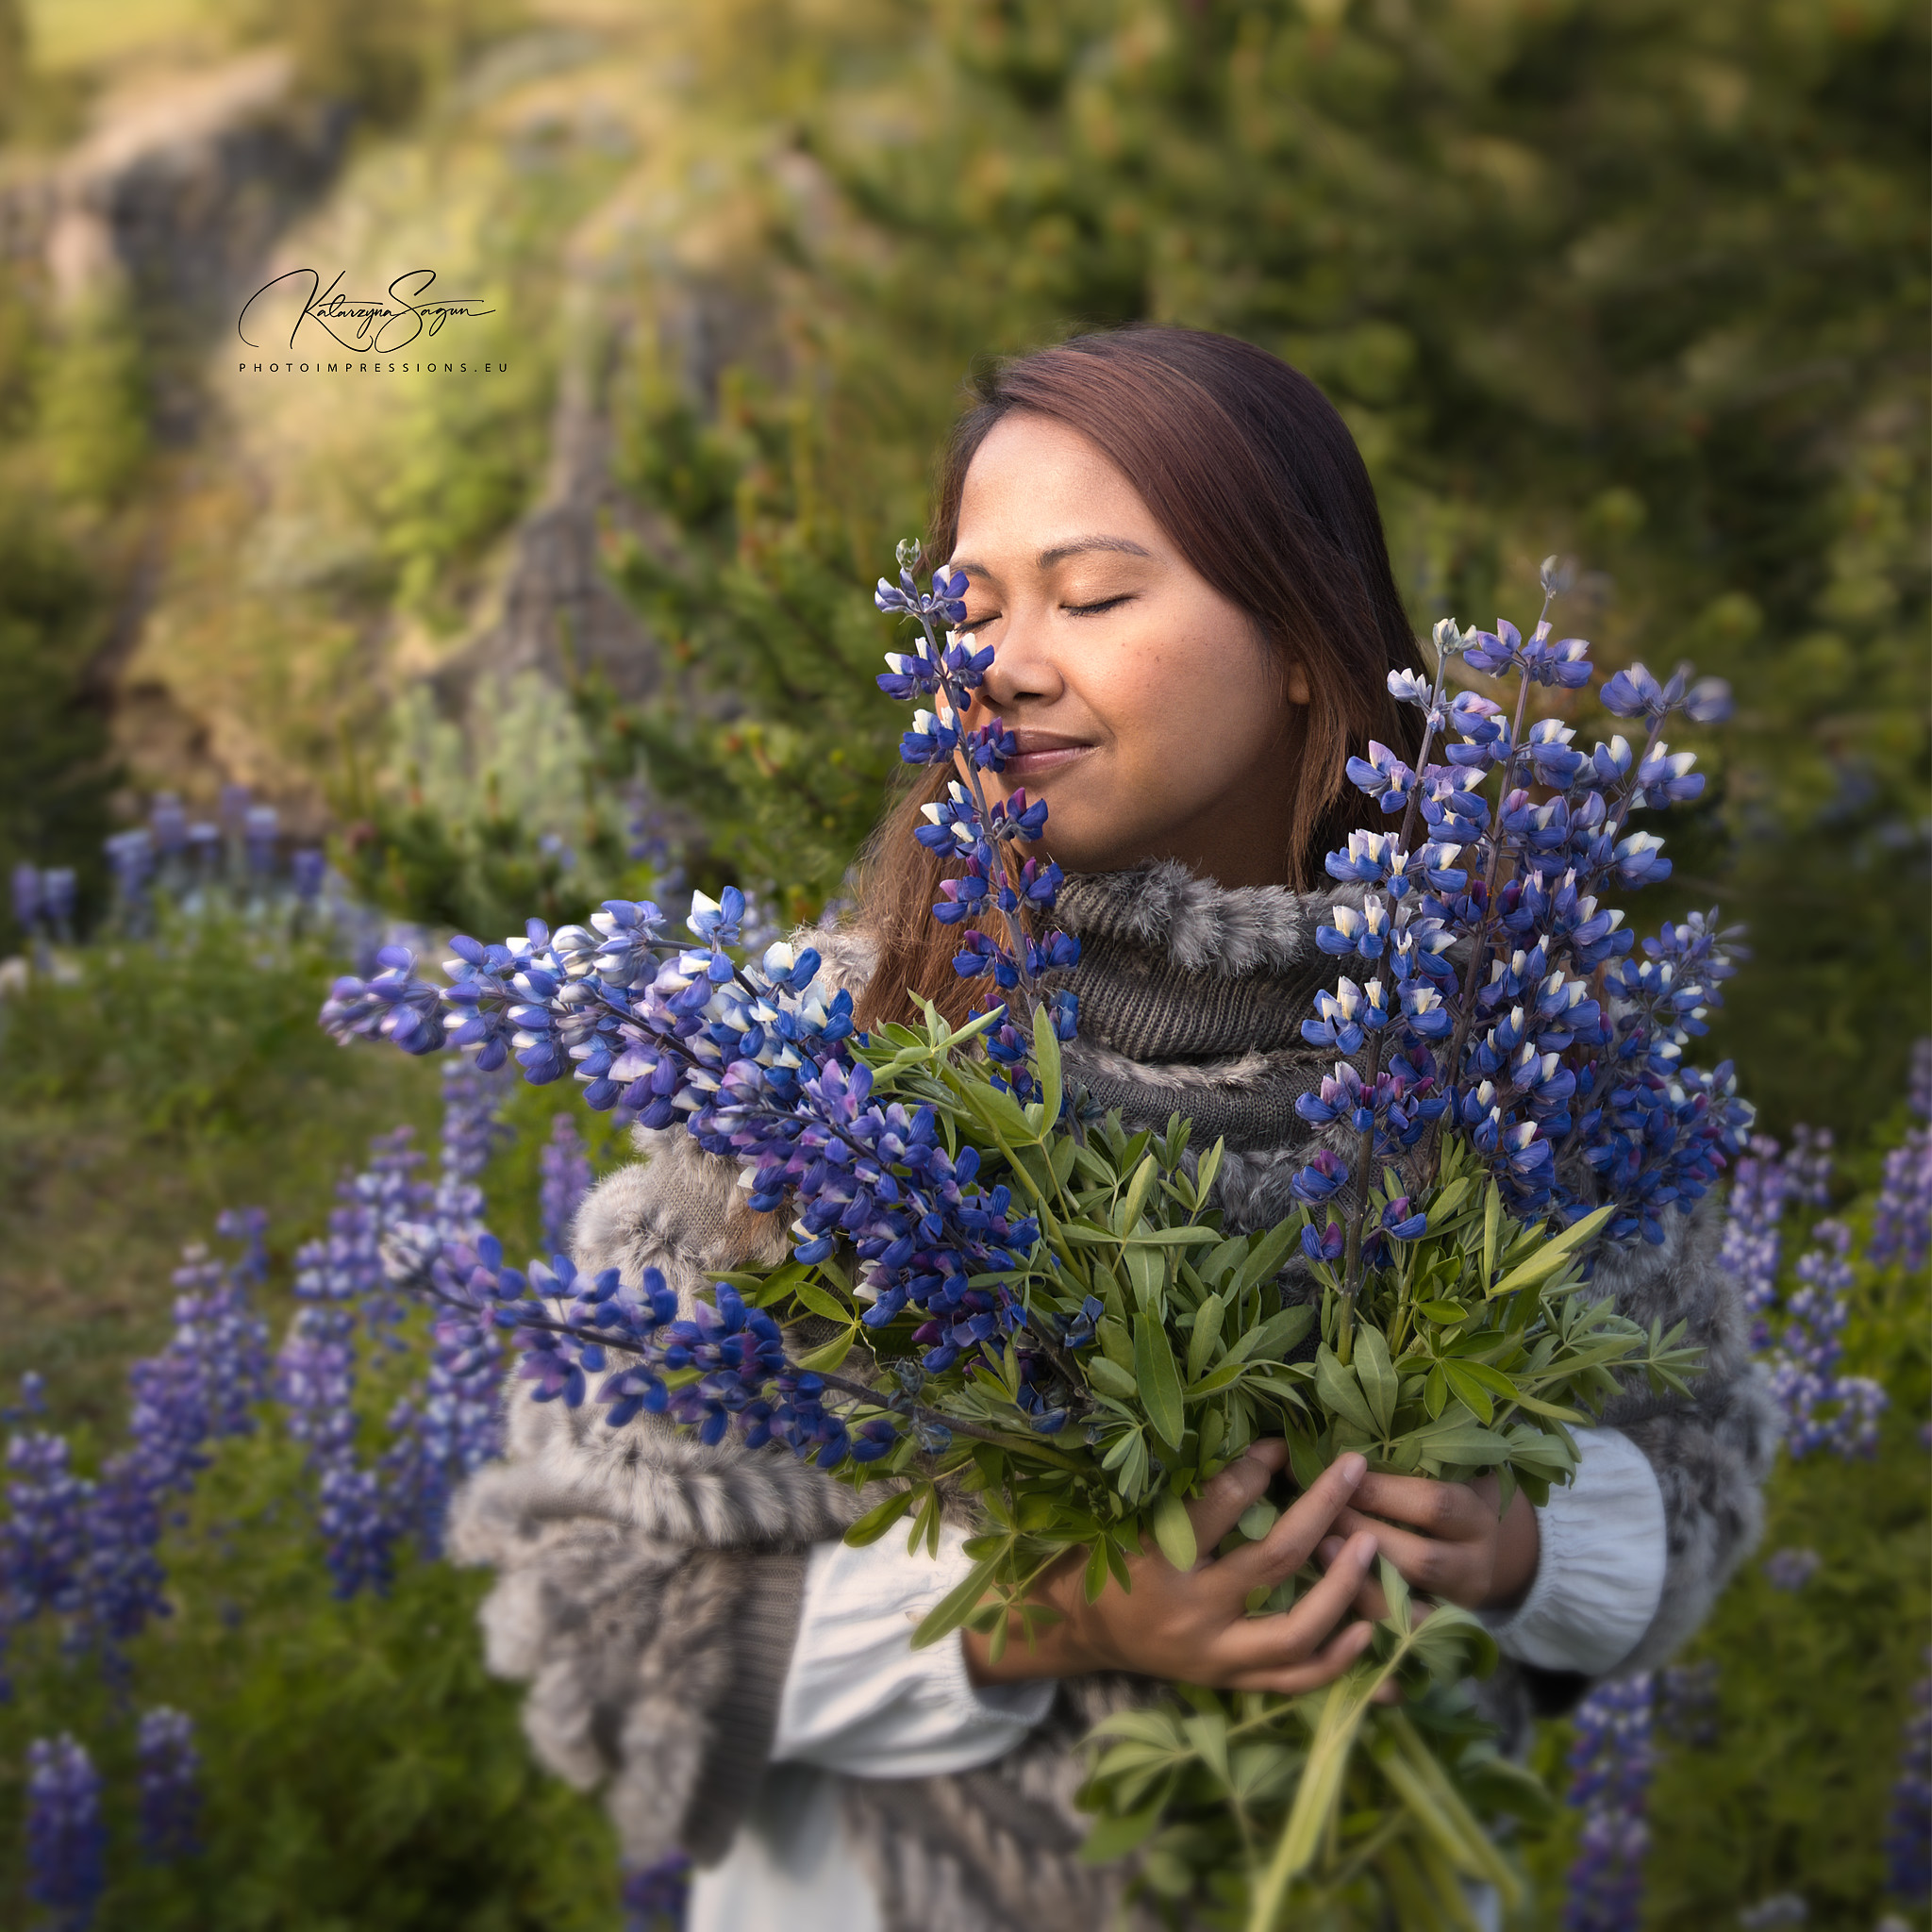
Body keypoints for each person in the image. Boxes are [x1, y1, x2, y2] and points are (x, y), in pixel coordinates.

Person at [448, 326, 1777, 1932]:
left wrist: (1512, 1549)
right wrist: (1046, 1618)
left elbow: (1692, 1470)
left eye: (1089, 597)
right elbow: (584, 1604)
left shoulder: (1520, 1050)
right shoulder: (817, 1057)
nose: (1003, 661)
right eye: (972, 609)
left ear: (1301, 639)